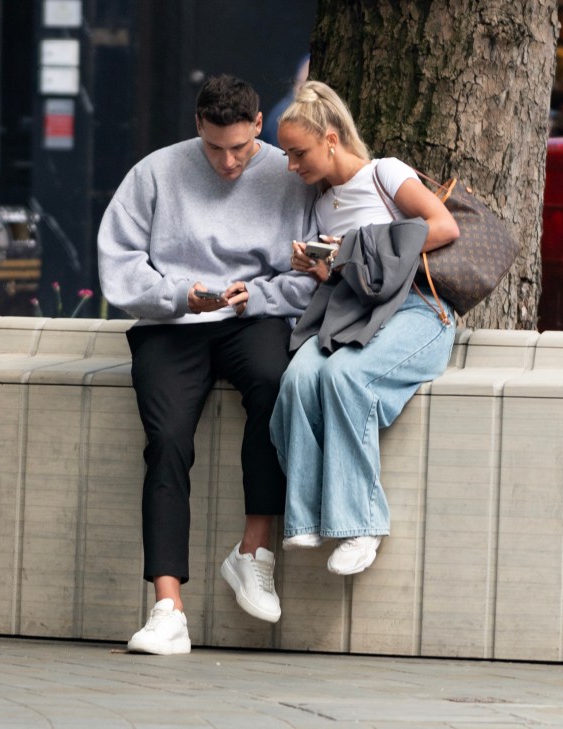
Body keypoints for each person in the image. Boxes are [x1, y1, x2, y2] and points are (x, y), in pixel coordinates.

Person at [97, 74, 317, 655]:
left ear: (259, 129)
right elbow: (119, 267)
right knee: (167, 438)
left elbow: (312, 272)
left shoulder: (288, 175)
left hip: (255, 316)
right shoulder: (155, 172)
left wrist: (261, 296)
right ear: (198, 126)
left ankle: (254, 551)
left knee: (276, 385)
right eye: (216, 147)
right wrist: (179, 295)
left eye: (241, 148)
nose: (228, 161)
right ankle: (167, 608)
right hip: (173, 323)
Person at [270, 80, 459, 576]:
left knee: (344, 379)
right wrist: (319, 264)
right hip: (352, 313)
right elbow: (348, 273)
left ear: (331, 139)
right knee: (295, 381)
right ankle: (307, 514)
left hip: (417, 312)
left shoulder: (385, 174)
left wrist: (356, 245)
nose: (292, 165)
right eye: (287, 155)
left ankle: (363, 523)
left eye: (298, 152)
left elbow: (443, 227)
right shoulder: (320, 201)